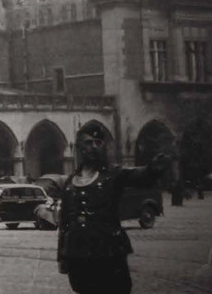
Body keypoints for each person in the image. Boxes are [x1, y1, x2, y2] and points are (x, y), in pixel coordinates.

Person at [57, 123, 169, 294]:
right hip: (77, 255)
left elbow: (139, 176)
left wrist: (153, 169)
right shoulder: (70, 183)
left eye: (98, 142)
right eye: (88, 142)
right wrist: (62, 256)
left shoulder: (114, 174)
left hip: (108, 252)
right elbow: (64, 223)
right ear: (79, 148)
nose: (94, 147)